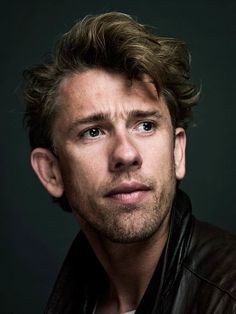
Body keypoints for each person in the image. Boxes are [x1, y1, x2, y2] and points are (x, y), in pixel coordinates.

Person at [23, 12, 236, 314]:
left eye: (146, 125)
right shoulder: (74, 296)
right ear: (51, 172)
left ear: (177, 152)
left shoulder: (227, 294)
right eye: (93, 132)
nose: (126, 154)